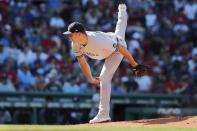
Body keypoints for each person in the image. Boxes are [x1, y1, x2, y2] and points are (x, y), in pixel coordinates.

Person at [63, 4, 148, 123]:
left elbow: (121, 48)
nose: (70, 37)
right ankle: (122, 10)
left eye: (71, 34)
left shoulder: (98, 40)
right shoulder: (75, 44)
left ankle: (103, 114)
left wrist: (134, 64)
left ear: (79, 34)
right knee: (120, 29)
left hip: (117, 48)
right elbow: (82, 62)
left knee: (104, 78)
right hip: (106, 48)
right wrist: (90, 78)